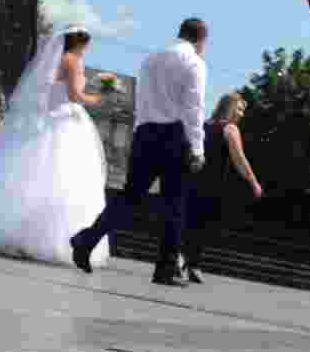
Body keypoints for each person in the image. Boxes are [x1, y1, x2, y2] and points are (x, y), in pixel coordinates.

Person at [0, 24, 110, 267]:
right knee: (63, 179)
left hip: (47, 119)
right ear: (82, 42)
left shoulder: (57, 59)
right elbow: (74, 95)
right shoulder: (73, 60)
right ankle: (49, 239)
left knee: (23, 174)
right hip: (64, 120)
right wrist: (99, 97)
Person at [70, 18, 208, 286]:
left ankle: (87, 240)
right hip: (175, 135)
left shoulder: (151, 59)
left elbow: (142, 100)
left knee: (129, 196)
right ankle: (166, 268)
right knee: (174, 204)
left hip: (145, 133)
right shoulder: (194, 63)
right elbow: (194, 109)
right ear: (201, 40)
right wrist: (198, 148)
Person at [183, 92, 263, 284]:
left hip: (192, 179)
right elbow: (239, 159)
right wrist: (253, 181)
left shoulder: (204, 125)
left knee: (191, 223)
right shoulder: (230, 129)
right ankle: (191, 264)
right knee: (202, 224)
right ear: (230, 107)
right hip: (212, 183)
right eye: (240, 109)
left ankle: (189, 263)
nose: (242, 114)